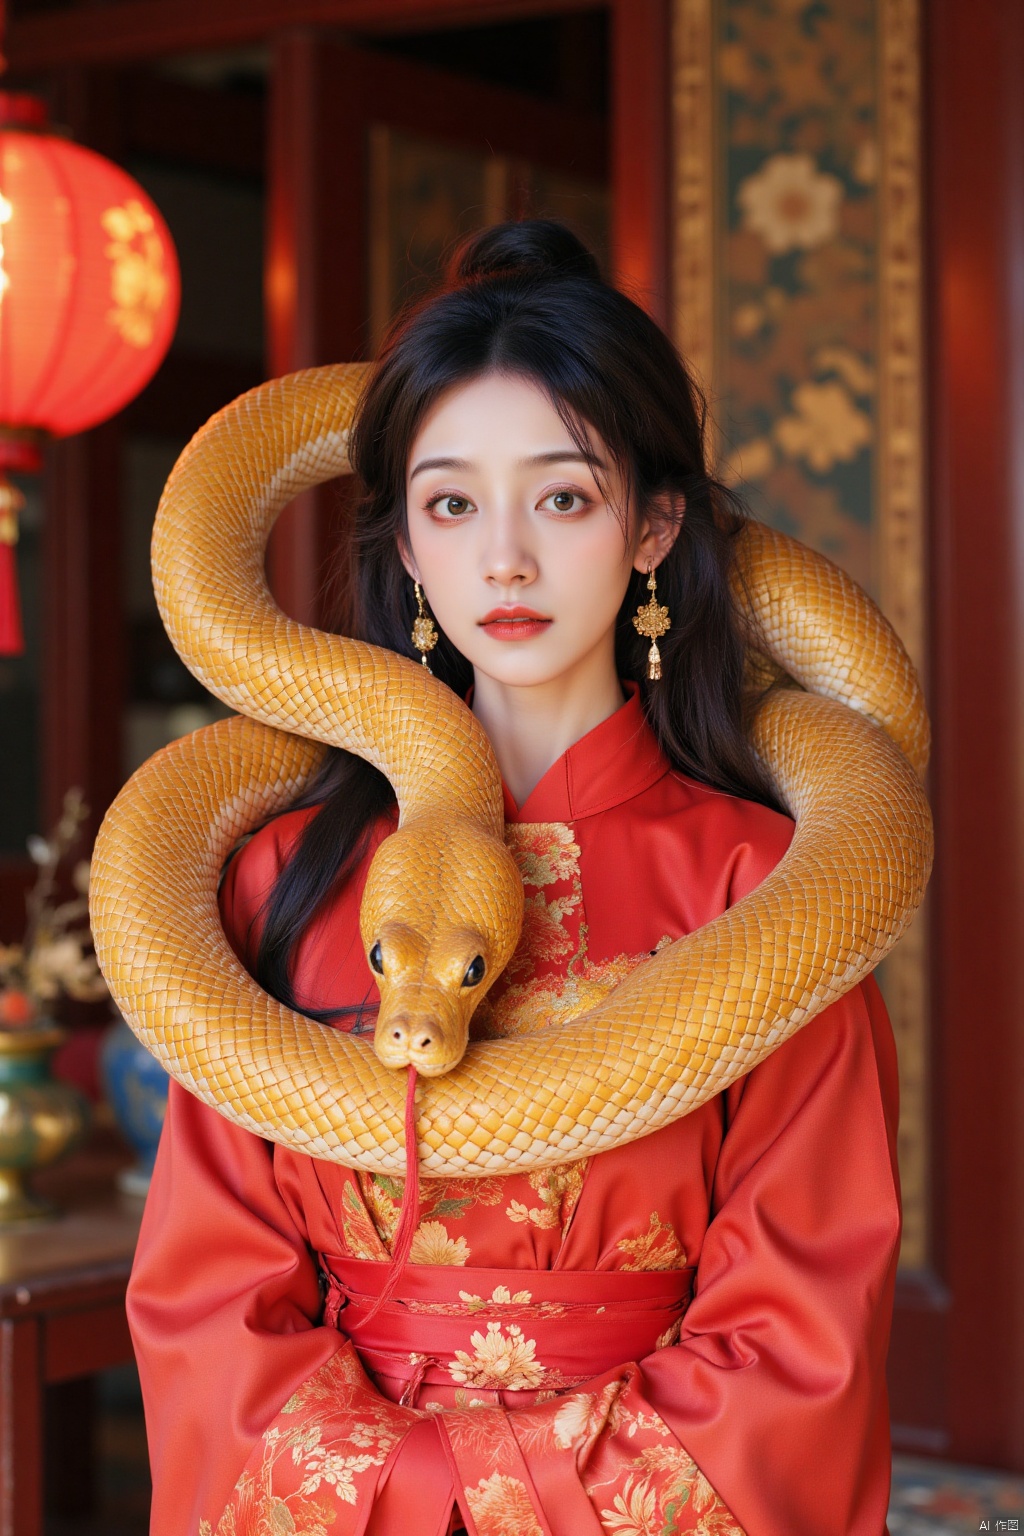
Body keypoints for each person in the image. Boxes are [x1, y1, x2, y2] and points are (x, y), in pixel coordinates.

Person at [127, 221, 901, 1536]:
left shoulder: (776, 888)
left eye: (562, 496)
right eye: (450, 503)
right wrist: (420, 1485)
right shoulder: (275, 882)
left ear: (653, 525)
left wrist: (484, 1491)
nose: (505, 561)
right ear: (408, 549)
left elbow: (799, 1323)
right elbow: (209, 1295)